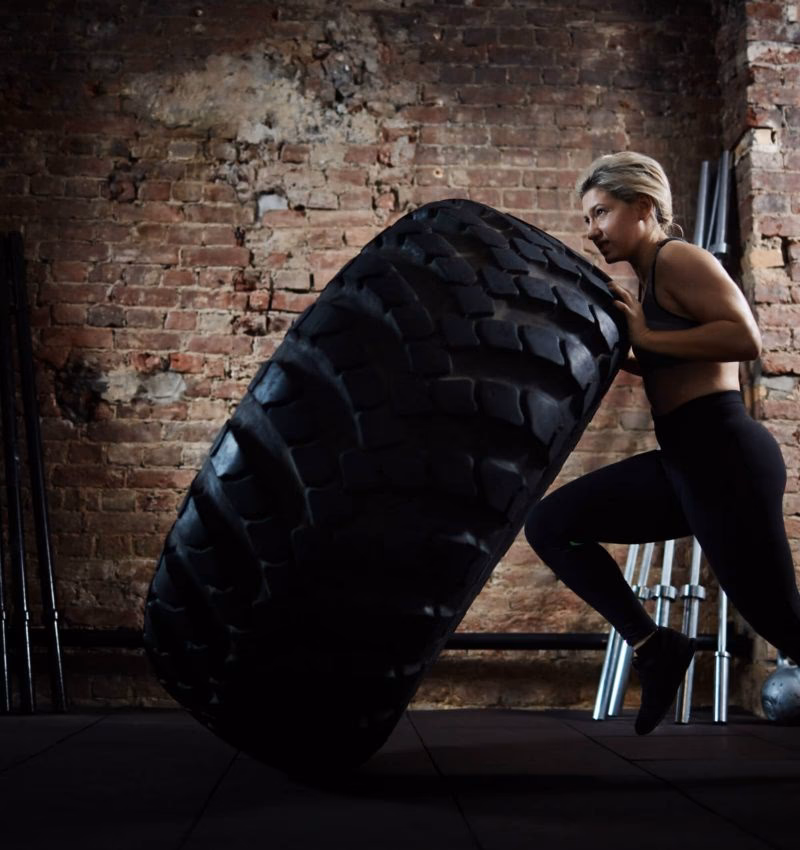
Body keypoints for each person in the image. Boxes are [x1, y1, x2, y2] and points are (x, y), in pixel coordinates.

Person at [525, 151, 800, 735]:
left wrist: (645, 336)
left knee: (781, 619)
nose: (591, 229)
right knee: (552, 524)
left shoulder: (678, 258)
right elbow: (675, 360)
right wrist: (630, 352)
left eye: (601, 212)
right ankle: (656, 646)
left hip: (725, 458)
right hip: (686, 461)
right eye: (588, 217)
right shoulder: (650, 280)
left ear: (643, 207)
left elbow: (743, 337)